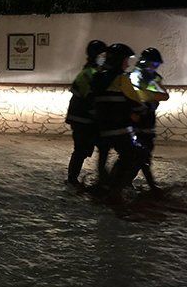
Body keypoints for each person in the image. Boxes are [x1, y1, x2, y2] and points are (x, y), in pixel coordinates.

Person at [92, 43, 168, 205]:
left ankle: (104, 186)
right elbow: (137, 102)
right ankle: (115, 192)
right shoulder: (122, 79)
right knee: (136, 155)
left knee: (107, 158)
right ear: (120, 60)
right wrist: (147, 104)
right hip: (120, 127)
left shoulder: (99, 77)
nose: (127, 63)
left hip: (102, 128)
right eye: (126, 60)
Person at [65, 40, 107, 186]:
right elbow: (90, 97)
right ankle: (72, 178)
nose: (105, 57)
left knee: (100, 147)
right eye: (103, 54)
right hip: (82, 119)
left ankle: (103, 178)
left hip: (87, 118)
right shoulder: (89, 73)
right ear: (96, 55)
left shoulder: (94, 71)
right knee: (81, 150)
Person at [129, 47, 170, 195]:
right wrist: (150, 98)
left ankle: (125, 182)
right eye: (153, 64)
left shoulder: (152, 78)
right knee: (140, 155)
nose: (155, 67)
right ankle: (148, 185)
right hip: (136, 120)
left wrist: (149, 99)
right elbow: (134, 96)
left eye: (157, 65)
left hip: (147, 121)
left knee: (143, 154)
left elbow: (164, 96)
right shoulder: (135, 76)